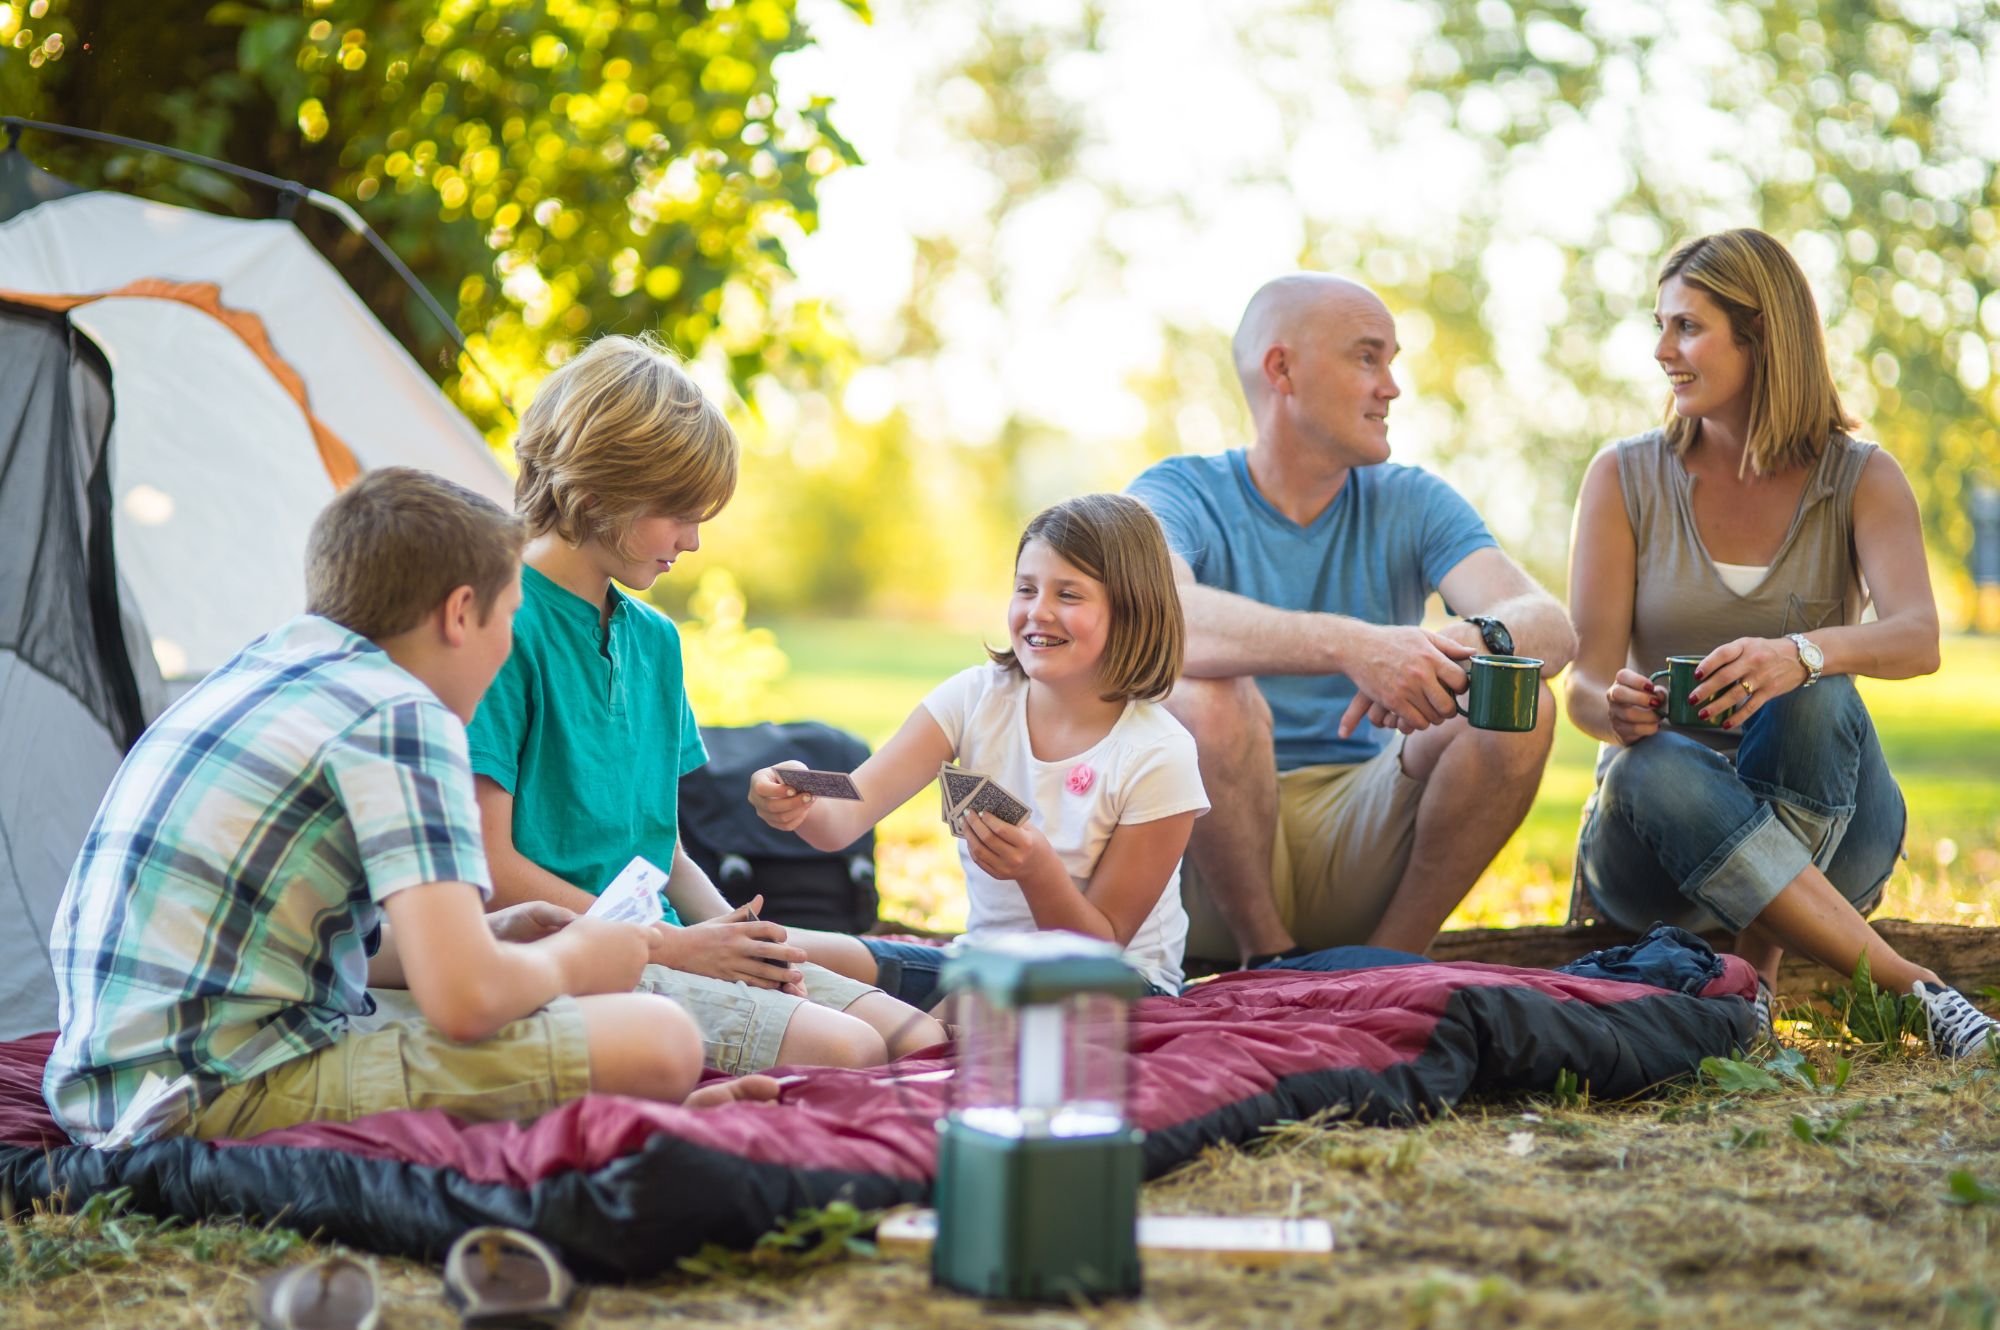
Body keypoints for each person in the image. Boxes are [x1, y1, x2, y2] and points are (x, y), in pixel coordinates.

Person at [44, 468, 773, 1147]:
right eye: (509, 620)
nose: (507, 649)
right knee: (658, 1037)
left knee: (559, 1013)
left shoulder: (270, 668)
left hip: (118, 1076)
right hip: (207, 1092)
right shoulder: (402, 717)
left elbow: (302, 948)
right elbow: (466, 1002)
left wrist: (495, 934)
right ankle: (627, 1104)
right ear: (460, 614)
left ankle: (625, 1113)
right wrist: (576, 956)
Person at [1566, 228, 1995, 1058]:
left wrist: (1798, 654)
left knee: (1818, 693)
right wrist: (1612, 710)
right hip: (1658, 842)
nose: (1662, 351)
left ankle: (1752, 973)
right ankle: (1916, 991)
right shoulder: (1623, 477)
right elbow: (1584, 684)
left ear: (1759, 334)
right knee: (1648, 765)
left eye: (1687, 327)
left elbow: (1918, 638)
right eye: (1660, 326)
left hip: (1837, 835)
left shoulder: (1861, 477)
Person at [468, 334, 944, 1072]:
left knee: (918, 1037)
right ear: (598, 490)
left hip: (669, 941)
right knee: (849, 1051)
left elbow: (663, 850)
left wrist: (739, 942)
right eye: (678, 514)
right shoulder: (503, 624)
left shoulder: (654, 641)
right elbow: (492, 868)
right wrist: (680, 949)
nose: (691, 541)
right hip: (567, 956)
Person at [1125, 273, 1575, 972]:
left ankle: (1385, 967)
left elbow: (1550, 627)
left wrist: (1448, 646)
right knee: (1203, 694)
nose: (1391, 387)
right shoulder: (1177, 491)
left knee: (1519, 702)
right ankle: (1267, 959)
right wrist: (1354, 646)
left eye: (1391, 361)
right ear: (1282, 370)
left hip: (1362, 829)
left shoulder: (1413, 500)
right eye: (1368, 357)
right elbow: (1159, 617)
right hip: (1200, 855)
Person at [747, 494, 1209, 1004]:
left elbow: (1101, 945)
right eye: (1026, 589)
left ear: (1132, 608)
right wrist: (798, 798)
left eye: (1068, 595)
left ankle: (915, 1035)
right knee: (770, 948)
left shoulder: (1159, 754)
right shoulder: (975, 697)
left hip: (1114, 984)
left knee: (967, 1006)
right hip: (978, 964)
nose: (1038, 611)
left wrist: (1037, 871)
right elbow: (844, 816)